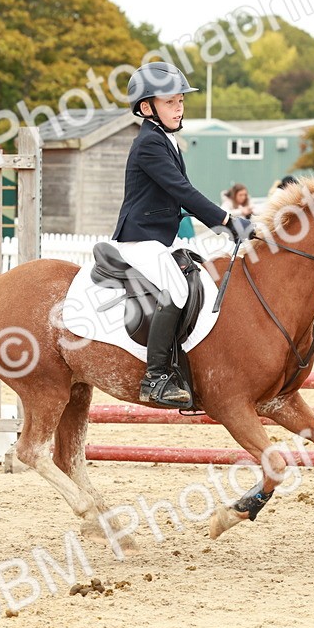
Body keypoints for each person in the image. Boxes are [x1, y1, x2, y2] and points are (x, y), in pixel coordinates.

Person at [113, 61, 252, 408]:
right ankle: (156, 376)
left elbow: (179, 196)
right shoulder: (149, 143)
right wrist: (227, 221)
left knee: (200, 280)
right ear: (147, 108)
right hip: (140, 238)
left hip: (161, 237)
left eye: (180, 101)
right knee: (175, 290)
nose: (178, 108)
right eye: (171, 102)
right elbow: (182, 191)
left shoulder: (165, 139)